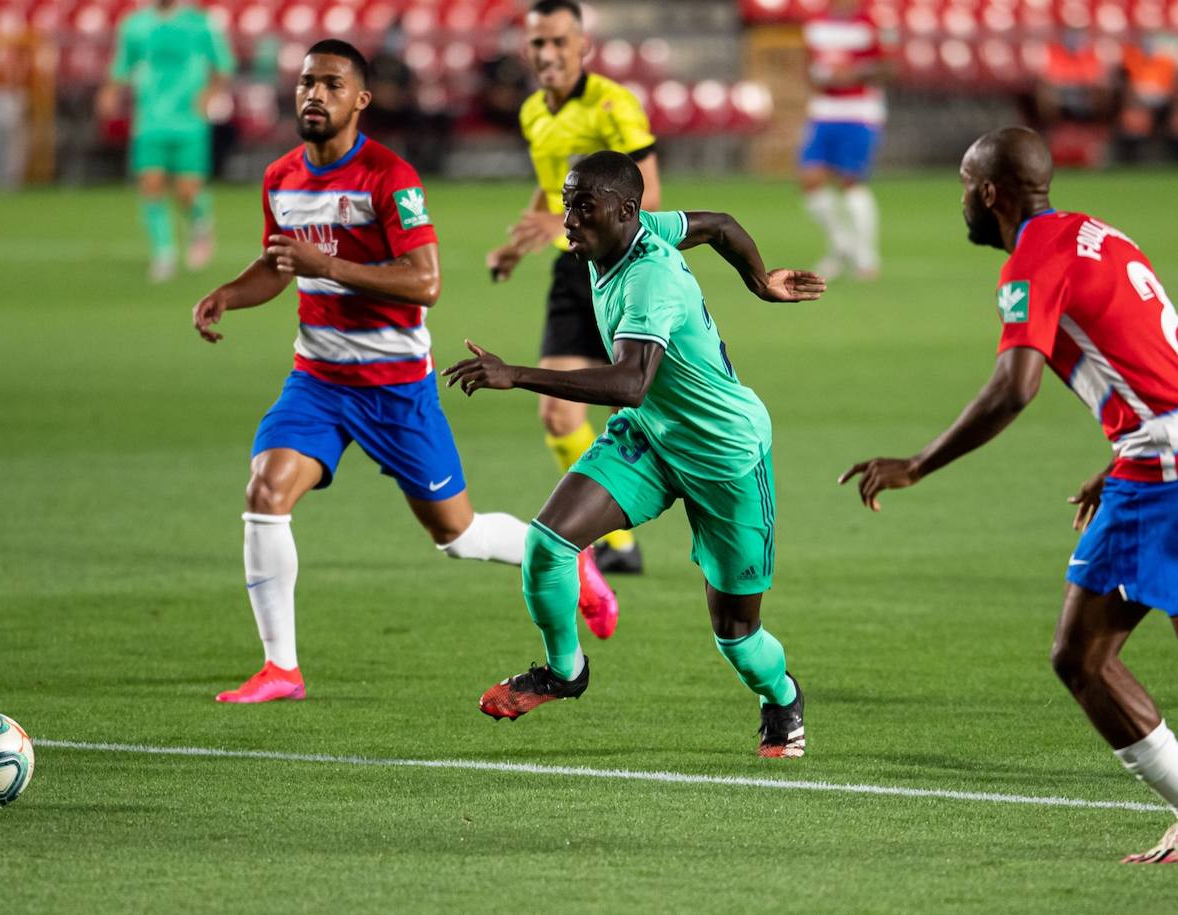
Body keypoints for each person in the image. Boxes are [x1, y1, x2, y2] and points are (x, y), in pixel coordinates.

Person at [190, 40, 616, 704]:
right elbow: (279, 264)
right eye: (306, 82)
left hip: (395, 389)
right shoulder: (281, 178)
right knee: (266, 494)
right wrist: (228, 293)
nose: (313, 94)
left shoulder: (390, 177)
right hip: (318, 381)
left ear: (360, 100)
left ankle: (569, 559)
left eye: (331, 84)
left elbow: (425, 282)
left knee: (458, 535)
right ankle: (282, 668)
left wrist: (327, 266)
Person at [839, 126, 1178, 863]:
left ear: (989, 192)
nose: (960, 198)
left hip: (1164, 465)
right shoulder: (1101, 234)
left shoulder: (1034, 255)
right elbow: (1146, 353)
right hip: (1156, 447)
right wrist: (1119, 452)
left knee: (1081, 657)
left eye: (965, 184)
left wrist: (919, 463)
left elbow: (1014, 385)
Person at [445, 151, 826, 758]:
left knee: (737, 634)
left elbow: (628, 383)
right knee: (549, 544)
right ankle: (564, 672)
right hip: (652, 434)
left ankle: (781, 697)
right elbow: (720, 224)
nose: (567, 219)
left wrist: (515, 374)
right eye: (566, 203)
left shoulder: (651, 279)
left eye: (582, 206)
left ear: (625, 212)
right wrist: (759, 281)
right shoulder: (633, 231)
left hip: (723, 453)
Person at [485, 0, 661, 577]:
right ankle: (615, 543)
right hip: (571, 267)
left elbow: (649, 196)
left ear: (582, 46)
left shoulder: (613, 105)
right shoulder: (534, 111)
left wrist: (574, 223)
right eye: (539, 44)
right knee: (557, 417)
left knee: (643, 401)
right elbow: (549, 188)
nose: (549, 54)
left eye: (560, 42)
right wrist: (521, 240)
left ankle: (634, 505)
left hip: (621, 267)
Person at [97, 0, 235, 282]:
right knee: (151, 185)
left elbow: (223, 64)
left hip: (189, 120)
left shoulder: (199, 23)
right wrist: (110, 92)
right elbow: (123, 64)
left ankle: (200, 223)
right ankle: (164, 253)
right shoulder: (135, 25)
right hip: (149, 120)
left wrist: (210, 94)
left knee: (187, 190)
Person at [799, 0, 891, 281]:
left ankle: (866, 256)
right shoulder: (817, 23)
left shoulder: (872, 21)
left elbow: (889, 67)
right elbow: (809, 66)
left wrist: (853, 75)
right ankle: (842, 245)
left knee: (851, 181)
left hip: (859, 111)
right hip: (824, 110)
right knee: (810, 179)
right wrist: (819, 78)